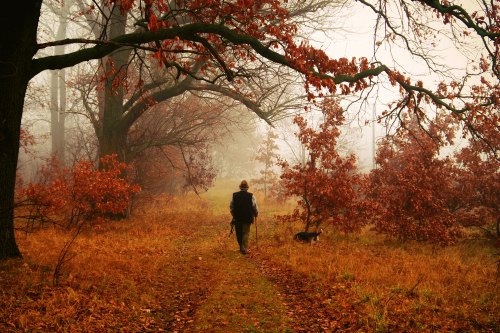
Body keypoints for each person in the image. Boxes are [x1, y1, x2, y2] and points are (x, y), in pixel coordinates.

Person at [229, 180, 258, 254]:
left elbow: (231, 206)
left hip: (237, 217)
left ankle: (241, 248)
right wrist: (256, 213)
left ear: (240, 187)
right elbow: (254, 206)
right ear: (247, 188)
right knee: (245, 233)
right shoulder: (251, 196)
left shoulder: (234, 195)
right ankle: (244, 248)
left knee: (239, 233)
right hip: (247, 217)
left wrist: (233, 214)